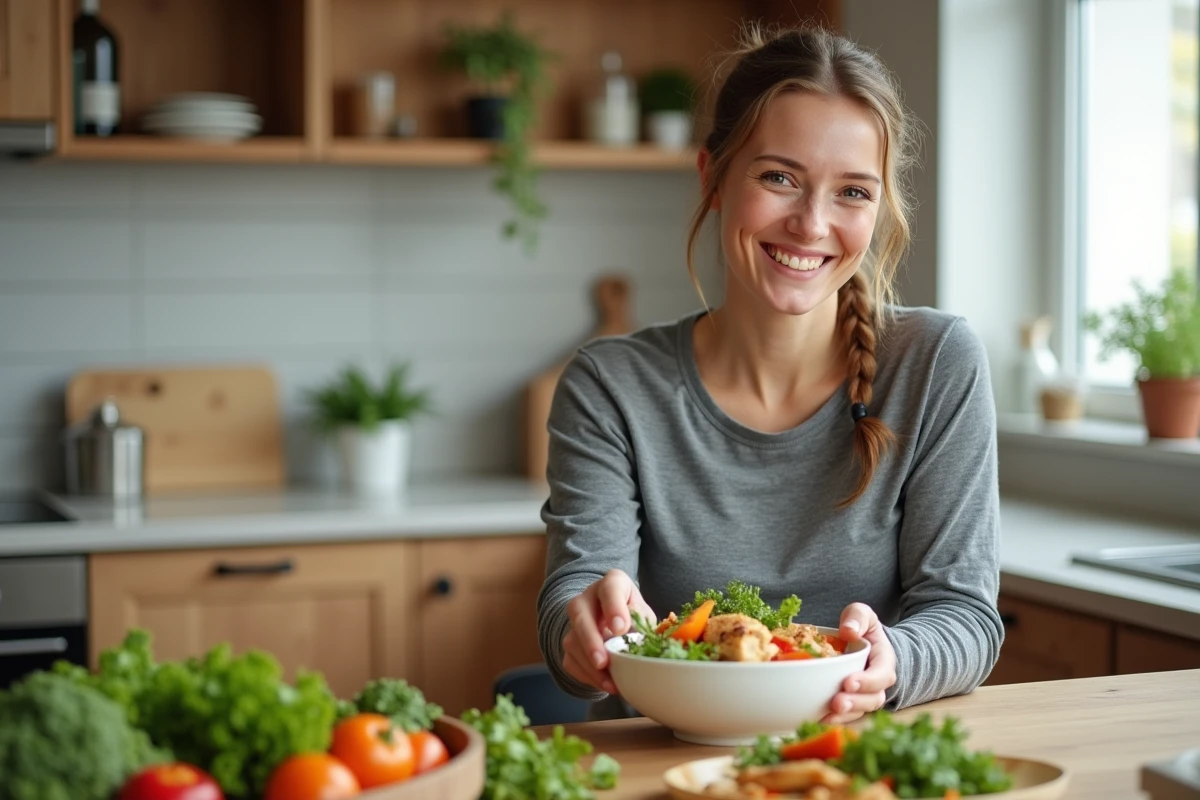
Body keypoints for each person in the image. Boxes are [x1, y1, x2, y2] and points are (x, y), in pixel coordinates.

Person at [535, 23, 1003, 724]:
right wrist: (581, 629)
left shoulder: (936, 363)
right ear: (713, 177)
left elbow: (964, 614)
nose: (812, 224)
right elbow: (577, 587)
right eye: (779, 177)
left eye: (852, 192)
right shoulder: (610, 387)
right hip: (669, 764)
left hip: (854, 763)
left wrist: (893, 659)